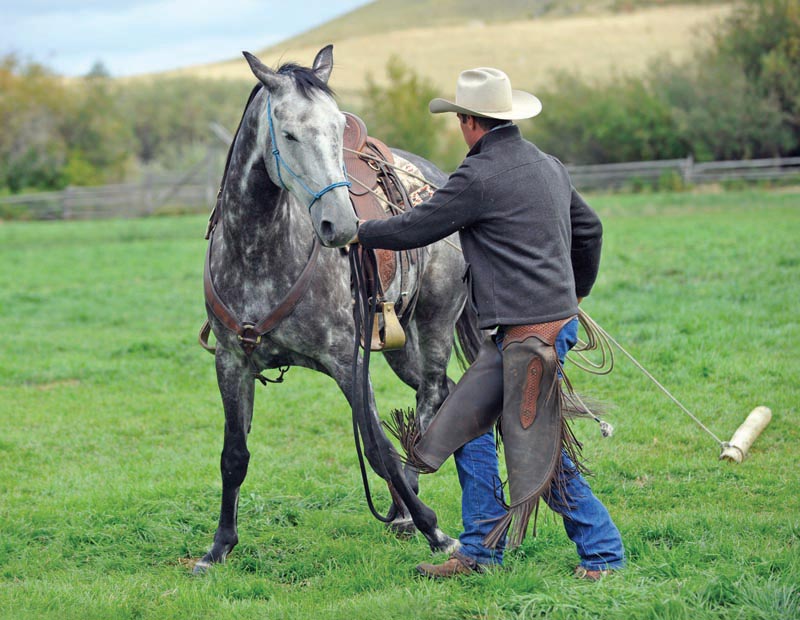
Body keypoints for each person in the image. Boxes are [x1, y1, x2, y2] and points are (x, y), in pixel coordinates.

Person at [352, 67, 625, 579]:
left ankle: (604, 555)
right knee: (467, 427)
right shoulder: (549, 165)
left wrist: (360, 230)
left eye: (460, 118)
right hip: (534, 329)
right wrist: (575, 293)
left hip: (530, 337)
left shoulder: (478, 176)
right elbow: (590, 229)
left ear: (470, 123)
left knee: (539, 448)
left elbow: (417, 227)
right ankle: (479, 550)